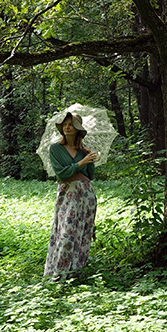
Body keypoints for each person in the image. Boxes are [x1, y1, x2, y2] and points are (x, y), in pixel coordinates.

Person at [43, 112, 100, 277]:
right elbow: (61, 174)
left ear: (78, 129)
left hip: (86, 195)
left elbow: (90, 176)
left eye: (71, 124)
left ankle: (76, 272)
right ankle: (58, 274)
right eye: (65, 125)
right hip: (68, 195)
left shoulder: (84, 150)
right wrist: (81, 163)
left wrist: (90, 160)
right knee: (65, 233)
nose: (67, 127)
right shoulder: (56, 149)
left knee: (82, 232)